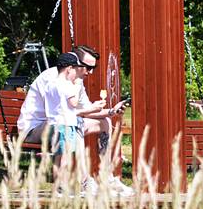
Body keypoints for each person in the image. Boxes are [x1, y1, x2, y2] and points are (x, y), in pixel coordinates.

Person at [18, 45, 131, 196]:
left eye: (94, 68)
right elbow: (60, 114)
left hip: (59, 123)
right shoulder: (53, 78)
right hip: (34, 129)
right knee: (75, 122)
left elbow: (87, 110)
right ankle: (84, 182)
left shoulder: (76, 82)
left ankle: (107, 178)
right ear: (75, 63)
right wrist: (86, 111)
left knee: (104, 122)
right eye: (87, 67)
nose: (90, 72)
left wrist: (111, 111)